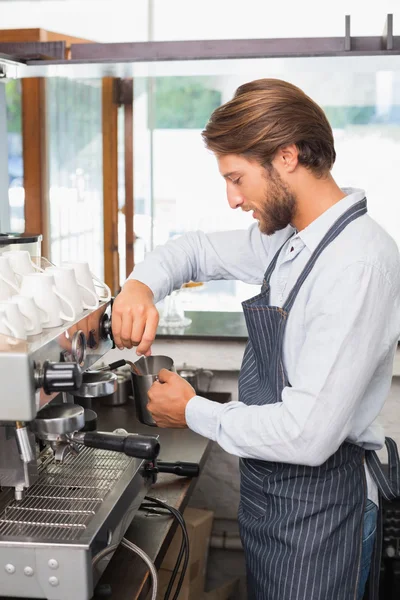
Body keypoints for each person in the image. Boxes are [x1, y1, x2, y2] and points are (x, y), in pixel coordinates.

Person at [112, 78, 400, 600]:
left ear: (286, 156)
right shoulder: (294, 240)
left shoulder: (356, 264)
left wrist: (193, 410)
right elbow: (194, 251)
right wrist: (139, 287)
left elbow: (307, 435)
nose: (233, 199)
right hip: (277, 501)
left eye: (237, 178)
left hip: (322, 515)